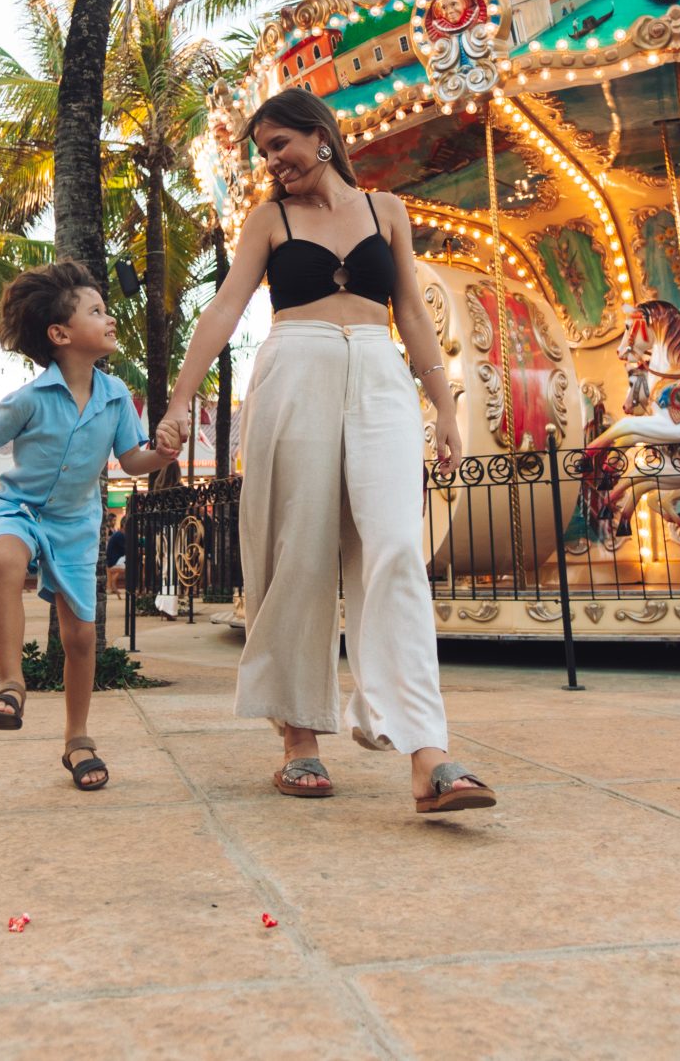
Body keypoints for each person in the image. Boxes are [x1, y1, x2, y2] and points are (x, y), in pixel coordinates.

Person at [157, 87, 497, 816]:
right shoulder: (269, 221)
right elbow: (224, 307)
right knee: (299, 554)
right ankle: (298, 738)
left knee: (399, 548)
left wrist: (444, 405)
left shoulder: (388, 212)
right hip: (295, 371)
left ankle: (425, 748)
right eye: (263, 152)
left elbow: (410, 310)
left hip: (379, 374)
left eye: (280, 144)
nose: (272, 162)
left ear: (320, 136)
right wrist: (182, 399)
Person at [0, 263, 173, 790]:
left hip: (75, 523)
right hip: (18, 507)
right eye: (96, 312)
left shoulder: (116, 397)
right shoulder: (29, 398)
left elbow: (132, 461)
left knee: (82, 637)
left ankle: (77, 739)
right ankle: (11, 684)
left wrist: (162, 454)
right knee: (3, 562)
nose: (109, 320)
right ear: (61, 335)